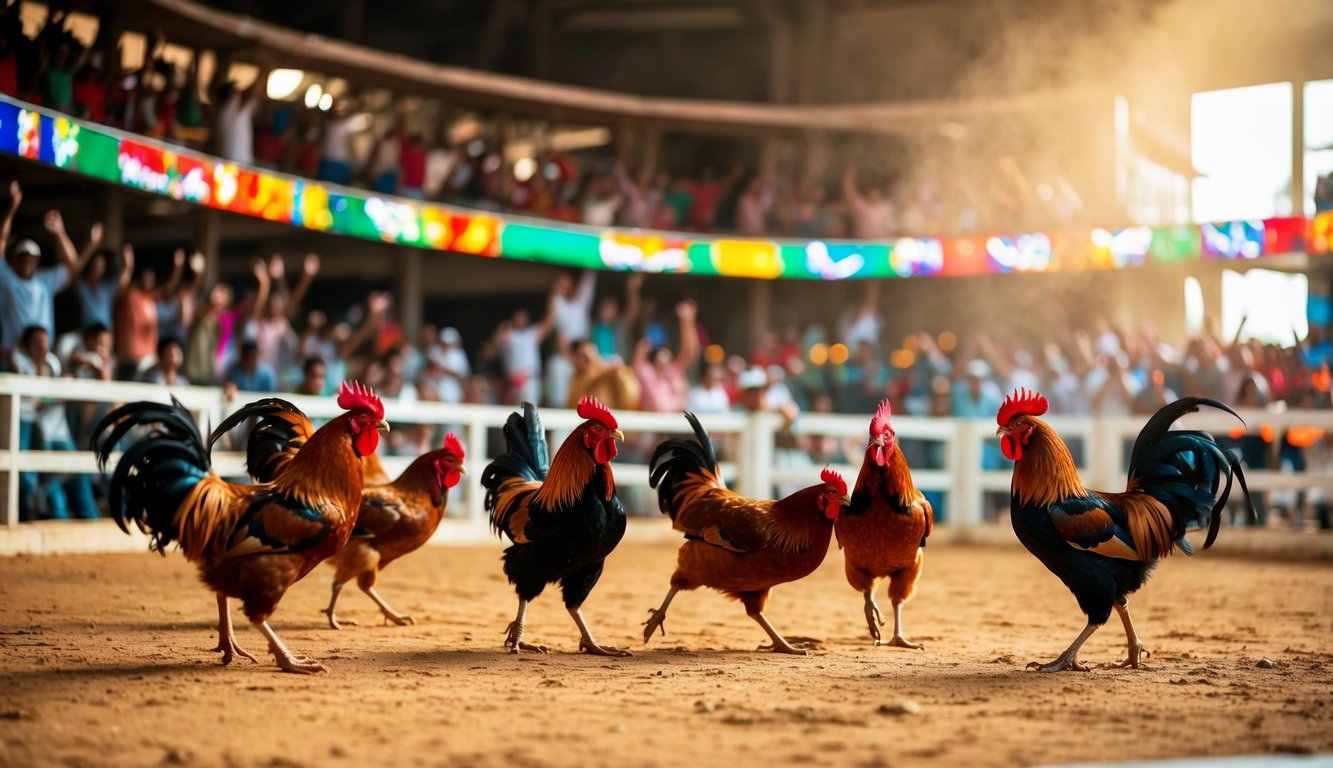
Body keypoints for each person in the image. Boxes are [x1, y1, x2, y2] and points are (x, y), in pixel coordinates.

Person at [13, 325, 98, 520]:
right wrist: (54, 392)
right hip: (37, 431)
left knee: (77, 472)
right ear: (26, 345)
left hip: (59, 431)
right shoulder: (20, 362)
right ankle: (52, 514)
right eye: (37, 343)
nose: (42, 347)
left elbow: (43, 400)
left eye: (45, 342)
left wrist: (54, 392)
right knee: (37, 479)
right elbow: (35, 404)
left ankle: (89, 519)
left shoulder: (53, 362)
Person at [0, 187, 84, 368]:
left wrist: (60, 232)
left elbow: (73, 266)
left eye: (32, 258)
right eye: (22, 257)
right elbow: (1, 243)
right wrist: (12, 209)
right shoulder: (7, 281)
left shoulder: (44, 281)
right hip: (13, 358)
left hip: (43, 359)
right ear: (13, 260)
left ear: (38, 261)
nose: (27, 262)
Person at [112, 245, 183, 381]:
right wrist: (128, 267)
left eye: (151, 278)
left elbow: (168, 289)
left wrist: (177, 268)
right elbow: (120, 288)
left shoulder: (151, 298)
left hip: (149, 361)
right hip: (130, 360)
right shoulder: (130, 296)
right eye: (145, 277)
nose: (148, 281)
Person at [633, 300, 700, 413]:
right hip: (651, 426)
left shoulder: (672, 372)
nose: (664, 361)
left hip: (675, 426)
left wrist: (687, 322)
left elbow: (690, 353)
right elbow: (638, 365)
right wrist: (641, 350)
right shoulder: (648, 375)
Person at [843, 166, 898, 239]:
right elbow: (850, 195)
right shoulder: (862, 206)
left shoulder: (886, 207)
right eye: (871, 193)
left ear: (880, 194)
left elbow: (892, 227)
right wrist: (848, 178)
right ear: (868, 194)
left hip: (881, 242)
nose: (874, 195)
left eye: (876, 193)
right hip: (863, 242)